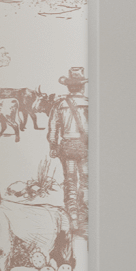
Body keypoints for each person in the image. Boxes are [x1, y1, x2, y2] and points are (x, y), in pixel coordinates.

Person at [47, 67, 88, 237]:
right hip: (86, 147)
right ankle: (85, 218)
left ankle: (73, 219)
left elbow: (52, 129)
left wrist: (54, 146)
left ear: (69, 87)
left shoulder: (60, 104)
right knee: (86, 181)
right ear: (81, 87)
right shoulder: (89, 102)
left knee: (70, 182)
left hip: (67, 147)